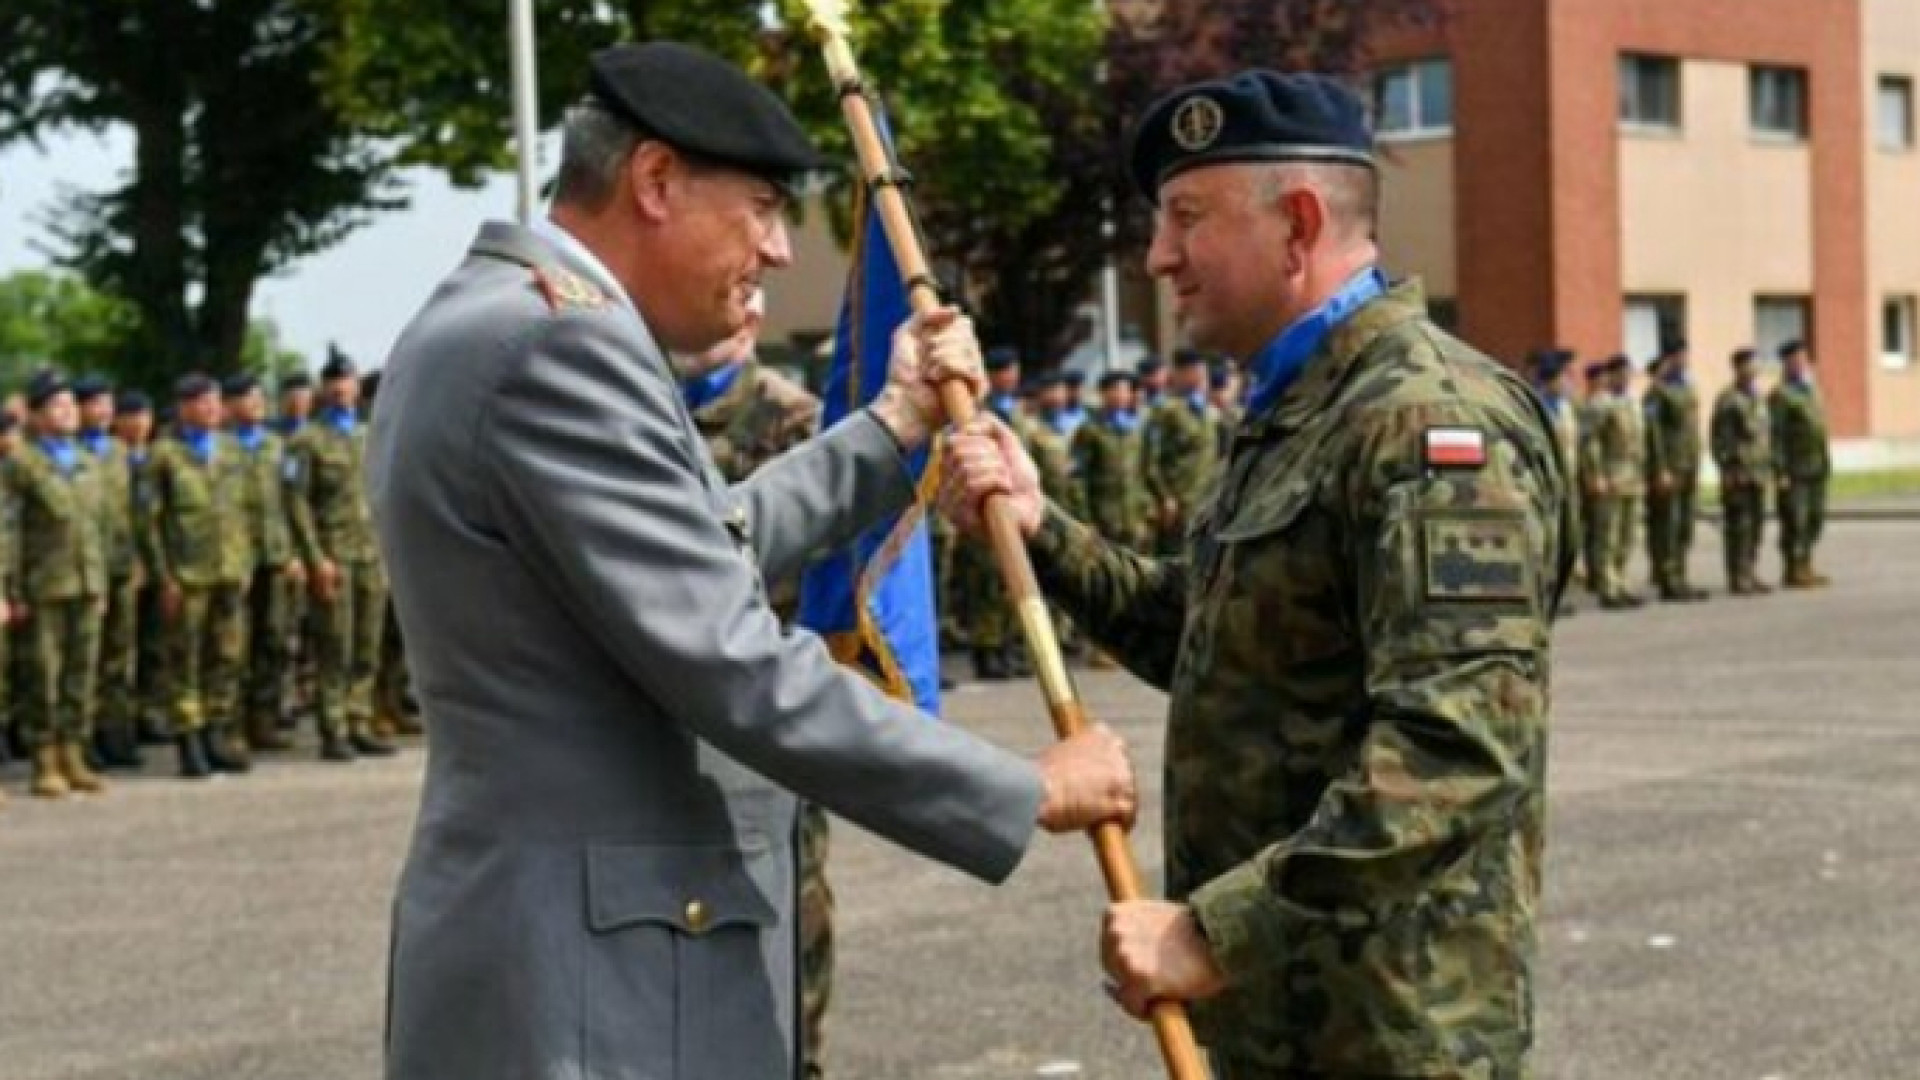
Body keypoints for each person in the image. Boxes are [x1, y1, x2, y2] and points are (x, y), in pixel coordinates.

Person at [368, 42, 1135, 1080]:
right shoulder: (561, 347)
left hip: (578, 957)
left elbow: (696, 548)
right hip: (599, 989)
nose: (779, 251)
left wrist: (892, 426)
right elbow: (733, 659)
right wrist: (1021, 787)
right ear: (654, 181)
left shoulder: (505, 320)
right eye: (764, 208)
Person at [943, 69, 1570, 1079]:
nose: (1159, 257)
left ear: (1299, 223)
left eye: (1187, 217)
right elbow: (1209, 643)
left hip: (1389, 1028)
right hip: (1279, 1016)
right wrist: (1038, 525)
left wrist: (1214, 934)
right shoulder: (1300, 412)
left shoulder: (1425, 422)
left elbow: (1457, 748)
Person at [7, 372, 110, 798]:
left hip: (86, 581)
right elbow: (8, 531)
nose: (67, 411)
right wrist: (10, 591)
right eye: (56, 405)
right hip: (43, 584)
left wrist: (100, 583)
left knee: (80, 673)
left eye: (70, 404)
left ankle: (73, 751)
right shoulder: (21, 463)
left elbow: (97, 528)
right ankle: (44, 758)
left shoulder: (87, 460)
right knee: (43, 675)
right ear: (34, 415)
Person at [1642, 341, 1707, 601]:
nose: (1683, 359)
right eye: (1678, 355)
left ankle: (1681, 575)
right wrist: (1660, 468)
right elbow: (1653, 434)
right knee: (1668, 524)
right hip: (1670, 467)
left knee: (1685, 525)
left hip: (1688, 464)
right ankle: (1668, 579)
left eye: (1685, 355)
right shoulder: (1657, 392)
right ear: (1668, 358)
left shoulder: (1687, 386)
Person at [1710, 348, 1774, 596]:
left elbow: (1764, 436)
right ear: (1738, 368)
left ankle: (1751, 570)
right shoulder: (1729, 399)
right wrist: (1727, 468)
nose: (1754, 370)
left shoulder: (1757, 397)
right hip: (1739, 473)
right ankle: (1737, 576)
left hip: (1758, 472)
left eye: (1755, 365)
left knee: (1756, 525)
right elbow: (1720, 439)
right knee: (1739, 526)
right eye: (1749, 365)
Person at [1769, 339, 1832, 588]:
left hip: (1816, 465)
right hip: (1794, 468)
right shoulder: (1781, 395)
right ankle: (1793, 568)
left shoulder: (1811, 389)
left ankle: (1806, 563)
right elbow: (1776, 435)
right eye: (1795, 359)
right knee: (1796, 520)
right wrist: (1780, 470)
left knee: (1816, 518)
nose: (1801, 363)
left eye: (1803, 358)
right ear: (1786, 363)